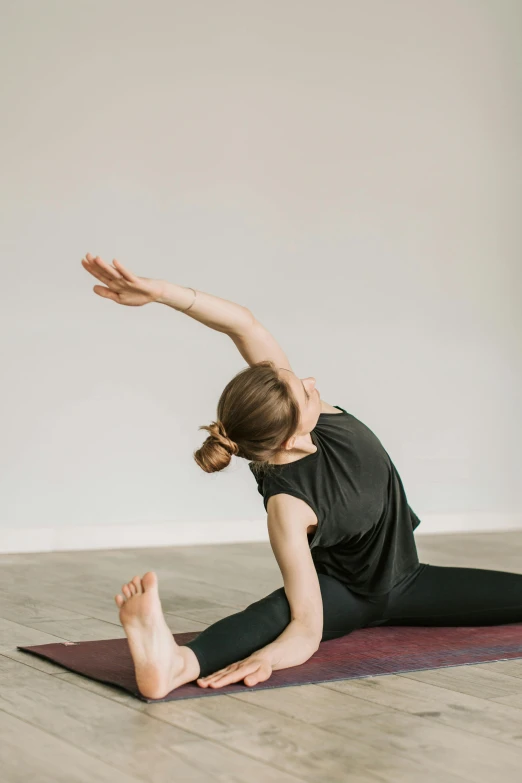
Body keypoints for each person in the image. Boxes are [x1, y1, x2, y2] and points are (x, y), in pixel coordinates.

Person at [82, 253, 522, 700]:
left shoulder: (310, 417)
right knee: (277, 613)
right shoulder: (288, 507)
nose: (312, 381)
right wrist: (270, 657)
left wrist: (160, 293)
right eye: (304, 390)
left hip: (412, 579)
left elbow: (245, 326)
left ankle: (175, 661)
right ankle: (175, 664)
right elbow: (308, 628)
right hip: (345, 597)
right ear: (290, 437)